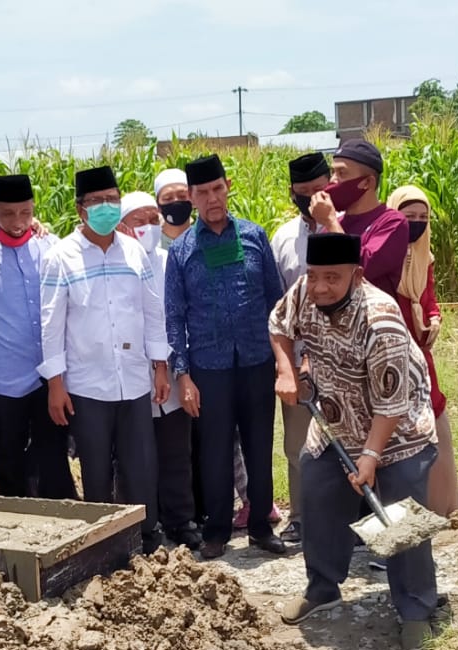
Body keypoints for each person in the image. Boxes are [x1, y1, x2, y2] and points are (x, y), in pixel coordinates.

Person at [271, 233, 440, 650]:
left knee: (398, 516)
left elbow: (392, 404)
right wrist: (288, 369)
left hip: (398, 431)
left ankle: (417, 608)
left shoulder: (380, 319)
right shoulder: (304, 292)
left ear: (357, 275)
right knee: (318, 494)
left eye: (333, 277)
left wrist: (369, 457)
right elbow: (278, 324)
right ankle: (323, 586)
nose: (321, 286)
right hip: (332, 420)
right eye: (314, 276)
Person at [41, 167, 169, 550]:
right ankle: (101, 542)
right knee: (95, 467)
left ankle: (146, 536)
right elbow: (50, 324)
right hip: (86, 382)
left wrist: (160, 366)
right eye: (96, 201)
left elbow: (152, 311)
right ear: (81, 209)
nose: (105, 207)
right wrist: (55, 384)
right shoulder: (60, 256)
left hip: (132, 379)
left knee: (141, 463)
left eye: (112, 199)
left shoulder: (134, 251)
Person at [165, 154, 286, 559]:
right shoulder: (181, 251)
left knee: (258, 445)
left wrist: (281, 357)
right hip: (208, 366)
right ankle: (216, 529)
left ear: (228, 187)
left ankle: (259, 527)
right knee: (214, 451)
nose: (212, 198)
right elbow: (174, 317)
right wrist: (183, 375)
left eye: (218, 189)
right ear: (192, 198)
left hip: (255, 360)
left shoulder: (254, 236)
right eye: (203, 193)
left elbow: (276, 300)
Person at [0, 173, 76, 499]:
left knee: (53, 454)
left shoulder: (51, 248)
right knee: (9, 456)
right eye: (7, 214)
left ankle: (62, 518)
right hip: (2, 378)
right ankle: (13, 524)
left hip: (50, 375)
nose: (17, 221)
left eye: (25, 213)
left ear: (33, 208)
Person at [119, 190, 200, 549]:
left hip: (170, 370)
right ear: (122, 225)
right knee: (135, 458)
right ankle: (142, 525)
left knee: (175, 452)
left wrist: (176, 369)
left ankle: (181, 520)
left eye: (155, 219)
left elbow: (179, 318)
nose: (152, 226)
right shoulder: (115, 261)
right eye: (142, 220)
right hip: (129, 376)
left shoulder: (171, 259)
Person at [387, 186, 458, 517]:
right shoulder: (382, 255)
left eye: (423, 218)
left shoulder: (424, 256)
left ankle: (440, 503)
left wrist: (434, 317)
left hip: (420, 349)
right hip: (391, 348)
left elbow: (429, 297)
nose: (416, 224)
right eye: (408, 217)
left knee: (432, 412)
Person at [270, 151, 331, 544]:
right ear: (292, 192)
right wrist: (290, 364)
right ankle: (300, 517)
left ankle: (347, 519)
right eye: (302, 191)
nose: (310, 198)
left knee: (350, 438)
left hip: (347, 359)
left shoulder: (348, 228)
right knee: (298, 445)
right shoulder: (282, 239)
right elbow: (278, 308)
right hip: (298, 360)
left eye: (318, 190)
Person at [310, 139, 408, 300]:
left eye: (342, 173)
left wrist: (330, 222)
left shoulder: (392, 222)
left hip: (373, 321)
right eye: (332, 172)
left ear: (367, 182)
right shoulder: (334, 225)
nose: (333, 180)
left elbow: (363, 269)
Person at [154, 168, 192, 250]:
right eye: (168, 198)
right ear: (158, 206)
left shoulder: (206, 241)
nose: (176, 201)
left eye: (182, 196)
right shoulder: (152, 246)